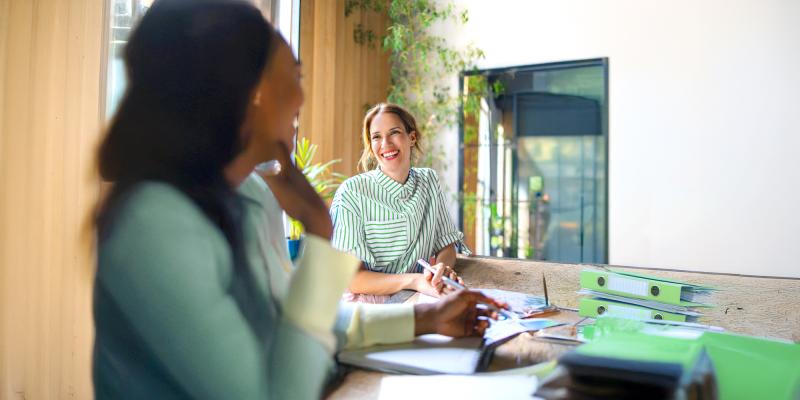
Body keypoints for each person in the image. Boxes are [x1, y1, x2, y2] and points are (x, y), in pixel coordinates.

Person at [92, 1, 505, 399]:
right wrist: (320, 234)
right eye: (291, 77)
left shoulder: (252, 193)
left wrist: (426, 317)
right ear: (244, 93)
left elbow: (294, 323)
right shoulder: (153, 226)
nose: (300, 98)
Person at [331, 103, 470, 301]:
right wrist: (415, 281)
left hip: (416, 295)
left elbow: (446, 244)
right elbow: (352, 279)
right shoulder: (351, 192)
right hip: (365, 303)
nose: (385, 144)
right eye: (376, 137)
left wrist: (442, 269)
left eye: (394, 132)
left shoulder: (429, 181)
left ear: (412, 138)